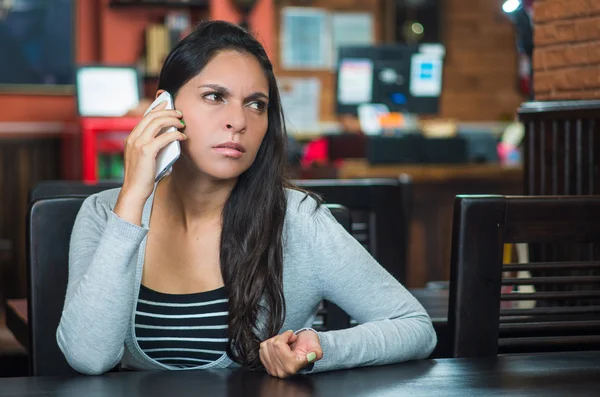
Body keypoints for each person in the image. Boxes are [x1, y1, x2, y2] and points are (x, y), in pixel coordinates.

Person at [57, 20, 436, 378]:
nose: (238, 121)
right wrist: (134, 196)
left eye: (256, 104)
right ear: (164, 109)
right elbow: (89, 357)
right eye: (215, 96)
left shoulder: (298, 219)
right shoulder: (104, 212)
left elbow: (415, 327)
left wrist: (318, 348)